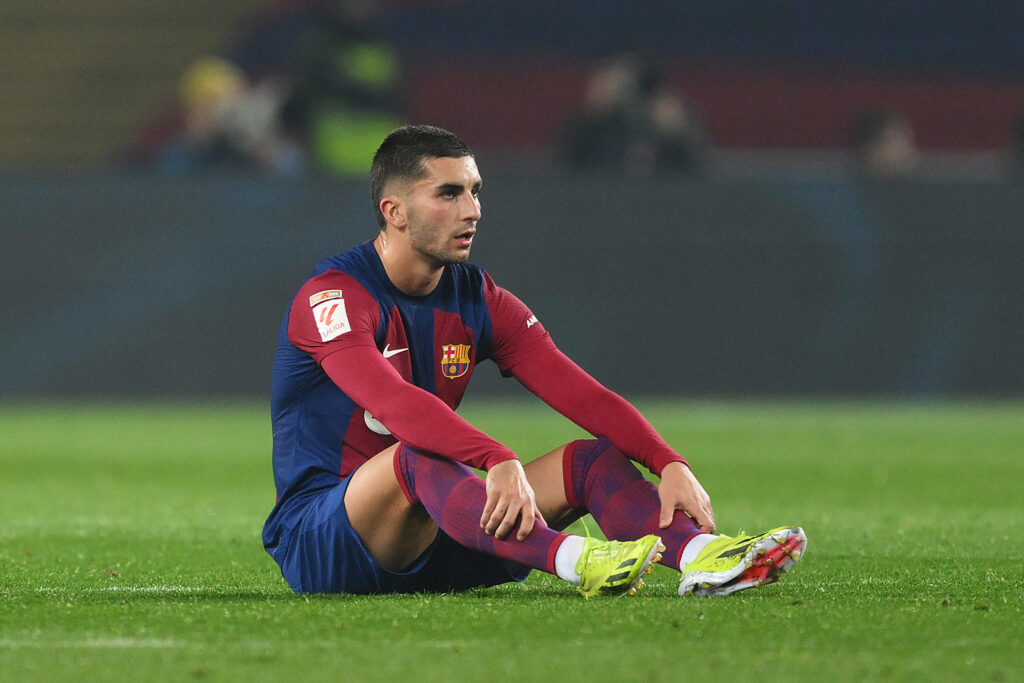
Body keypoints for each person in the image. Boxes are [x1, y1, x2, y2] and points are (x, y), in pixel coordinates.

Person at [263, 124, 805, 597]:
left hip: (446, 534)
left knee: (589, 460)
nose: (471, 210)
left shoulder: (479, 299)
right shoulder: (331, 298)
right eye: (447, 194)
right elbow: (393, 402)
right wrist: (496, 457)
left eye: (475, 191)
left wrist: (668, 461)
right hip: (327, 542)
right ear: (394, 211)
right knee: (417, 454)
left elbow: (581, 393)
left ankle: (702, 559)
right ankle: (577, 560)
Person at [558, 50, 708, 176]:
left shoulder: (667, 126)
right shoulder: (595, 126)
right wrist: (592, 116)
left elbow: (701, 175)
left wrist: (678, 134)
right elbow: (561, 169)